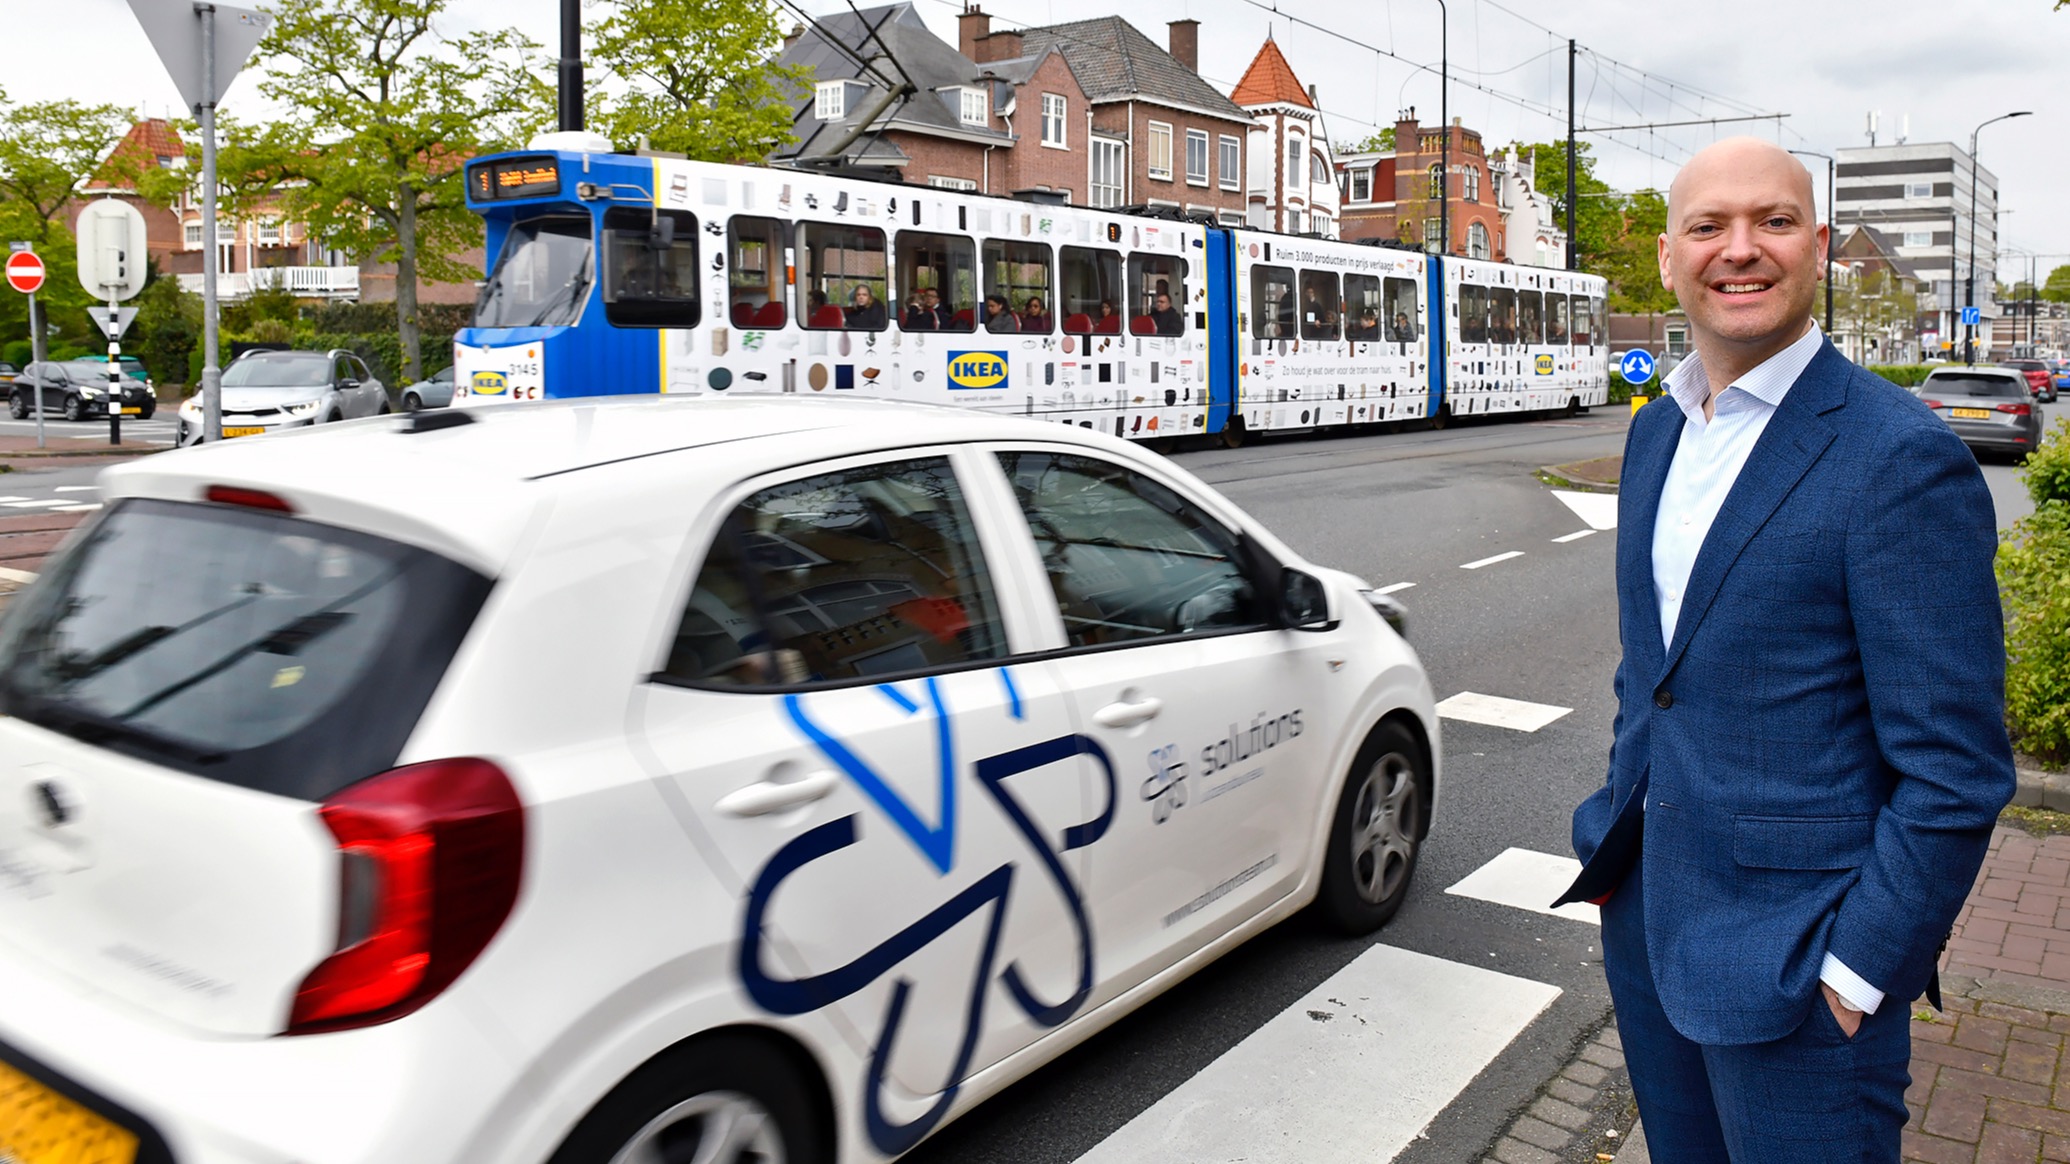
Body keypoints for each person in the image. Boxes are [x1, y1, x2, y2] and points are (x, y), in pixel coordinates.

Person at [1552, 137, 2013, 1163]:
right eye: (1709, 226)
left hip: (1803, 966)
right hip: (1650, 925)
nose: (1740, 249)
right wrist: (1618, 856)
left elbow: (1956, 765)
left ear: (1817, 252)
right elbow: (1652, 673)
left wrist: (1859, 973)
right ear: (1669, 259)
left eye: (1774, 221)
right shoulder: (1656, 437)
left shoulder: (1899, 456)